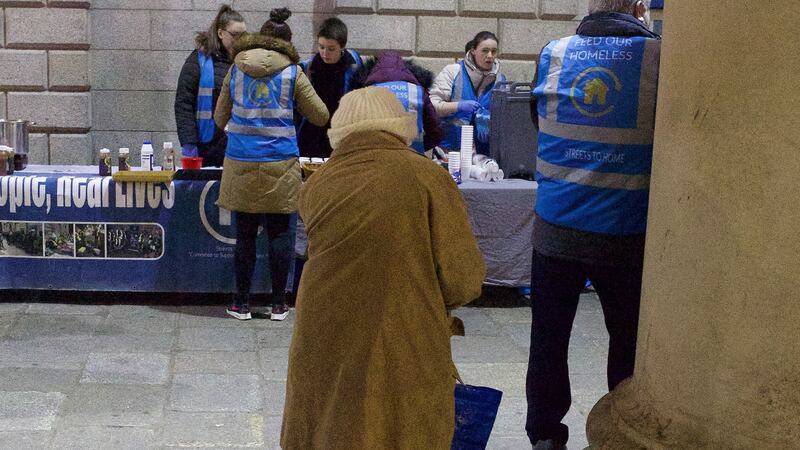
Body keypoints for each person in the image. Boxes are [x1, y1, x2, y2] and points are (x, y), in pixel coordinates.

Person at [281, 87, 485, 449]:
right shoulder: (429, 178)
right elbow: (463, 280)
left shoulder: (317, 185)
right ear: (399, 127)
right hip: (405, 340)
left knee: (329, 427)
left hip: (322, 338)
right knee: (402, 428)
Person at [525, 1, 661, 448]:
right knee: (626, 339)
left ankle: (545, 436)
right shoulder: (658, 57)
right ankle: (621, 430)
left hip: (556, 226)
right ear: (640, 8)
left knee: (548, 337)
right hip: (624, 230)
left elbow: (536, 120)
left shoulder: (555, 51)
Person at [213, 32, 329, 321]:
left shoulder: (236, 69)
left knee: (245, 236)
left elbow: (219, 118)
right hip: (280, 164)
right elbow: (321, 115)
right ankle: (279, 304)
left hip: (241, 163)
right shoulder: (292, 72)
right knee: (280, 235)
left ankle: (240, 303)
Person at [174, 5, 245, 167]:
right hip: (206, 146)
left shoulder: (245, 61)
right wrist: (189, 143)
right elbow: (183, 103)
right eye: (235, 35)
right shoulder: (199, 59)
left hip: (238, 145)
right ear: (220, 33)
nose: (240, 40)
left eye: (243, 35)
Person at [351, 51, 443, 154]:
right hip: (411, 158)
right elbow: (436, 133)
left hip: (376, 156)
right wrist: (420, 148)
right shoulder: (417, 92)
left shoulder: (366, 93)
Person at [430, 31, 505, 157]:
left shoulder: (500, 80)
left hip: (483, 157)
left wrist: (491, 121)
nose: (490, 55)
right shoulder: (453, 71)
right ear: (473, 51)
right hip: (448, 153)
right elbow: (432, 106)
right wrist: (458, 106)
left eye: (494, 51)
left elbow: (506, 119)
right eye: (485, 50)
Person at [296, 17, 363, 159]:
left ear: (342, 46)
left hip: (340, 135)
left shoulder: (354, 67)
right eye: (321, 47)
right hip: (310, 137)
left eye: (331, 49)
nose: (325, 53)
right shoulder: (308, 68)